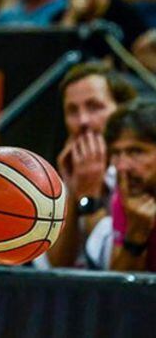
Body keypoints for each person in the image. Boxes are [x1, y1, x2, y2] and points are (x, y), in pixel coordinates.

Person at [47, 62, 138, 268]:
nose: (83, 121)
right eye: (72, 111)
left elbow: (111, 267)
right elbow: (55, 268)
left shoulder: (143, 173)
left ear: (123, 111)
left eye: (94, 107)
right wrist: (70, 193)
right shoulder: (60, 177)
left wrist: (89, 197)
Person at [106, 100, 156, 271]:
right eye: (116, 153)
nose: (122, 166)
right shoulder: (127, 198)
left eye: (136, 151)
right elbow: (119, 292)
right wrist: (136, 234)